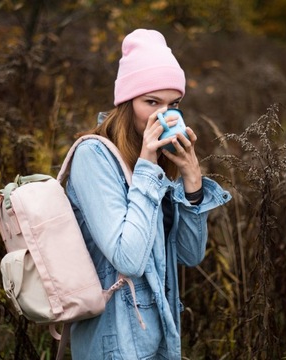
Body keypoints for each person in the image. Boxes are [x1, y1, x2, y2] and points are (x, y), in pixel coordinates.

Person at [65, 28, 231, 360]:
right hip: (115, 342)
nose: (163, 114)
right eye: (151, 102)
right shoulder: (93, 157)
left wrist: (192, 182)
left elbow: (189, 254)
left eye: (173, 104)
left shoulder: (156, 160)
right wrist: (146, 167)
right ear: (126, 103)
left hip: (159, 338)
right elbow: (129, 259)